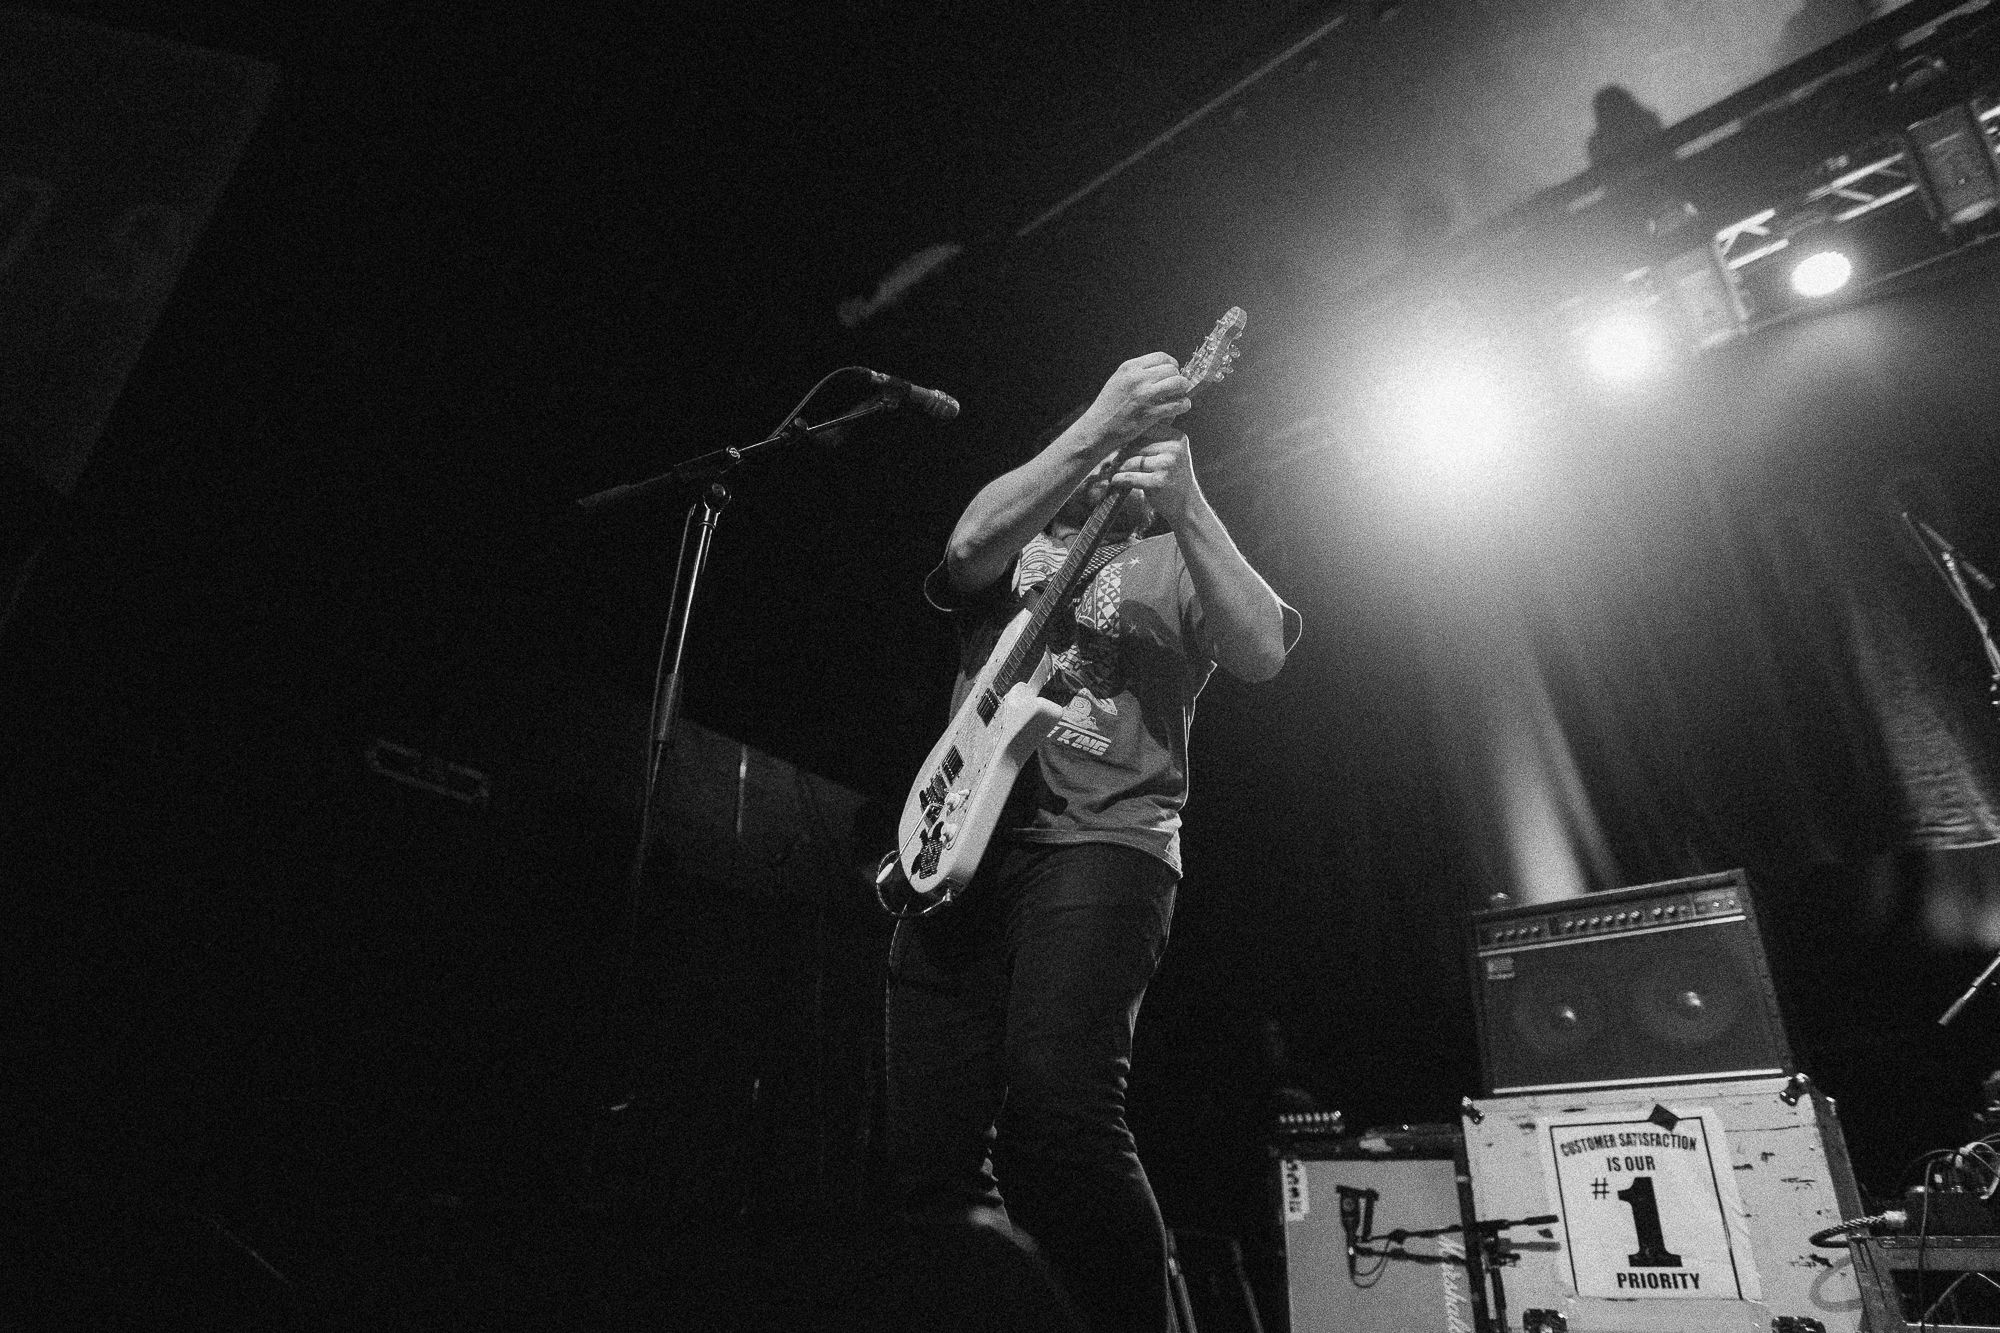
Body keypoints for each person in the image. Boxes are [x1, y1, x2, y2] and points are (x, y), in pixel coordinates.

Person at [882, 350, 1299, 1333]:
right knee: (928, 1154)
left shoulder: (1173, 558)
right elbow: (965, 547)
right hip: (957, 841)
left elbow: (1261, 651)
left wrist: (1189, 503)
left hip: (1106, 845)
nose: (1123, 454)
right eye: (1116, 435)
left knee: (1059, 1113)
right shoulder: (1018, 534)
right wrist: (1098, 421)